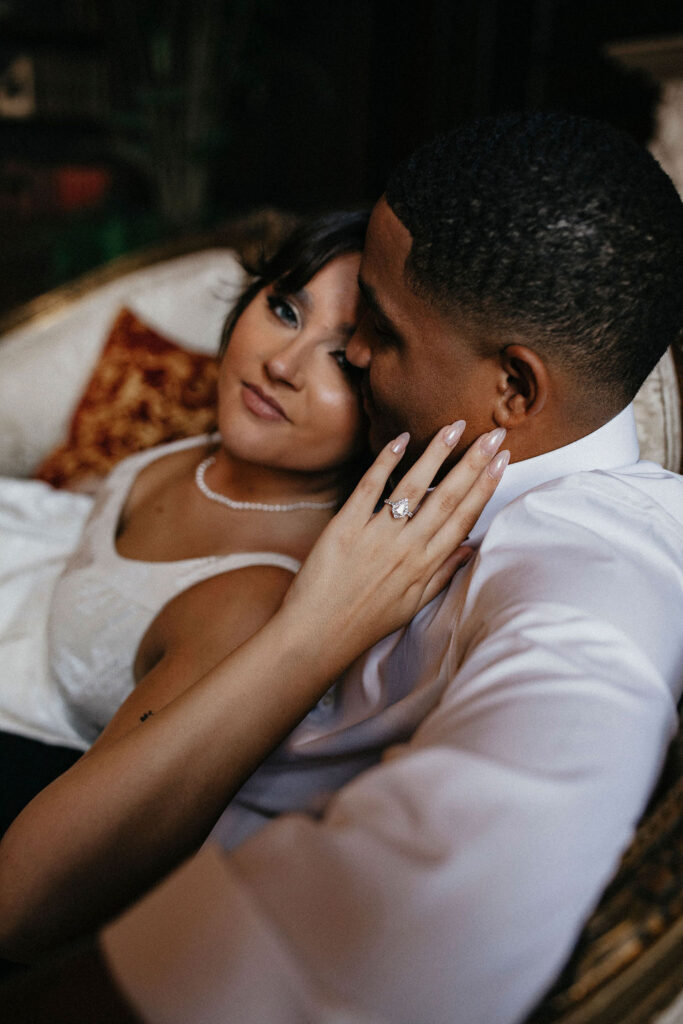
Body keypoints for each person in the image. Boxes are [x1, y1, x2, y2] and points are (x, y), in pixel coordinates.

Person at [4, 110, 683, 1024]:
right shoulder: (431, 457)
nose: (355, 357)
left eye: (381, 333)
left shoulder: (592, 565)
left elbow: (461, 884)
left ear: (512, 390)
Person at [0, 209, 507, 959]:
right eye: (283, 308)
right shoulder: (203, 450)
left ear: (389, 402)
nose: (281, 363)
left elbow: (21, 902)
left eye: (342, 360)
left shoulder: (249, 597)